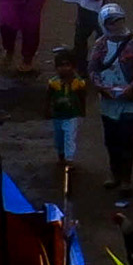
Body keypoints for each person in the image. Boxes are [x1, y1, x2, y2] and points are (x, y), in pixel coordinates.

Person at [86, 2, 133, 189]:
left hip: (129, 99)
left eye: (119, 21)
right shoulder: (100, 45)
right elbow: (92, 69)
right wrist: (101, 87)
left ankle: (126, 179)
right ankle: (115, 174)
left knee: (127, 139)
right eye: (112, 22)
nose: (117, 25)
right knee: (111, 140)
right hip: (108, 101)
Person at [41, 48, 90, 188]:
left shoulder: (78, 83)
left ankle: (69, 159)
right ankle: (62, 156)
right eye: (61, 66)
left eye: (67, 65)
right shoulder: (54, 83)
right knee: (59, 137)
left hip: (71, 115)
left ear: (73, 67)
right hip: (57, 115)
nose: (64, 69)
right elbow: (48, 97)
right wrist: (47, 110)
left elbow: (82, 97)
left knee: (69, 136)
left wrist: (82, 111)